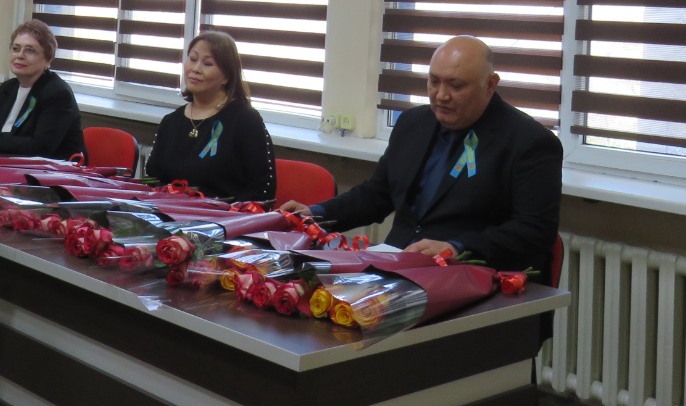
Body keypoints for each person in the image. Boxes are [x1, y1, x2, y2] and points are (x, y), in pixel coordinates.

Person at [281, 35, 560, 276]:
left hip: (472, 276)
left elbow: (533, 231)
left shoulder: (529, 142)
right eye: (434, 82)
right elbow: (377, 194)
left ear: (490, 84)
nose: (441, 95)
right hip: (395, 267)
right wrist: (315, 214)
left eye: (456, 86)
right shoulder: (413, 124)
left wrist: (456, 248)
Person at [146, 30, 275, 202]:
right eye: (193, 59)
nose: (195, 69)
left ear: (226, 76)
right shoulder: (170, 122)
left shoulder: (246, 120)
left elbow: (262, 191)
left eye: (207, 64)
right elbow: (153, 180)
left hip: (223, 216)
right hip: (168, 212)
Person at [0, 19, 86, 160]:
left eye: (30, 50)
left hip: (49, 171)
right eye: (16, 48)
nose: (20, 55)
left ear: (48, 60)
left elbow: (40, 148)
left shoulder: (57, 94)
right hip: (1, 164)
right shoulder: (8, 88)